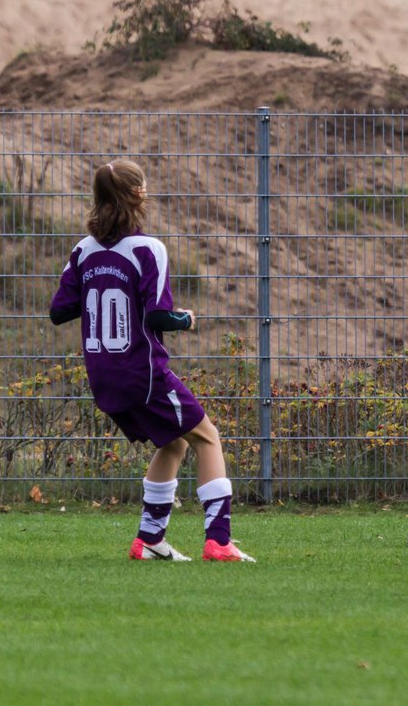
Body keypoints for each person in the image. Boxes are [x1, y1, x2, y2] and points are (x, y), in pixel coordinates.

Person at [49, 159, 255, 562]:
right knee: (207, 437)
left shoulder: (83, 251)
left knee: (174, 442)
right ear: (138, 194)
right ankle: (219, 541)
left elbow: (59, 310)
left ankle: (149, 541)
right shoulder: (147, 249)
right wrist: (186, 319)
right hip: (142, 372)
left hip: (103, 374)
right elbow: (159, 316)